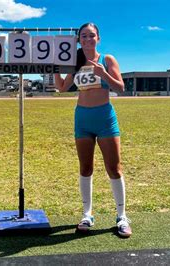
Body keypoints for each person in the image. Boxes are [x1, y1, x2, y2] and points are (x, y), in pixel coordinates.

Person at [54, 22, 132, 238]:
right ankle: (87, 214)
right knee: (85, 167)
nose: (88, 39)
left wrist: (103, 74)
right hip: (82, 118)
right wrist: (54, 70)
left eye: (92, 35)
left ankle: (122, 217)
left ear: (98, 38)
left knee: (114, 168)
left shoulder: (107, 59)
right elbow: (61, 88)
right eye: (84, 36)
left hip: (105, 118)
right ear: (78, 39)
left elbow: (121, 87)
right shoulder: (75, 62)